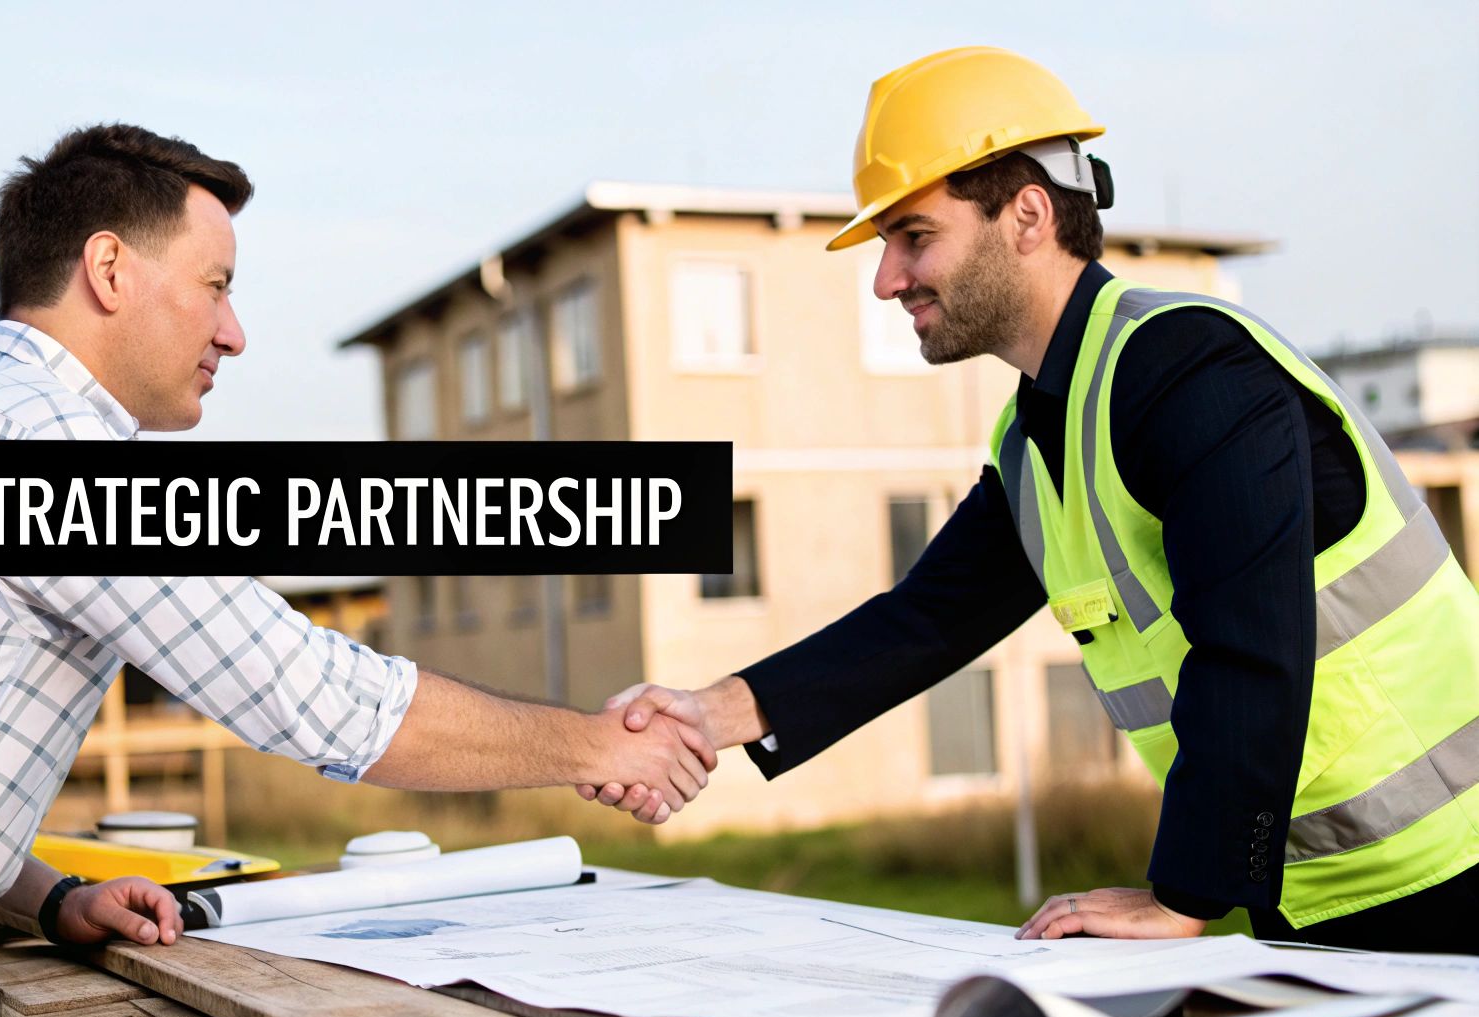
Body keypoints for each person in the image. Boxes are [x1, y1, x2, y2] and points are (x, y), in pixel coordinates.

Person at [0, 124, 714, 1017]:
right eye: (216, 286)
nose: (235, 332)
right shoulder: (50, 457)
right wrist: (590, 743)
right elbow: (318, 702)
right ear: (110, 270)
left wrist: (51, 896)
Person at [586, 46, 1479, 954]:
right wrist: (710, 714)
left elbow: (1248, 644)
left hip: (1460, 866)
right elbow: (926, 621)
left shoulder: (1195, 374)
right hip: (1329, 894)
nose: (887, 279)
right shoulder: (1040, 435)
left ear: (1027, 214)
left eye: (914, 236)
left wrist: (1183, 895)